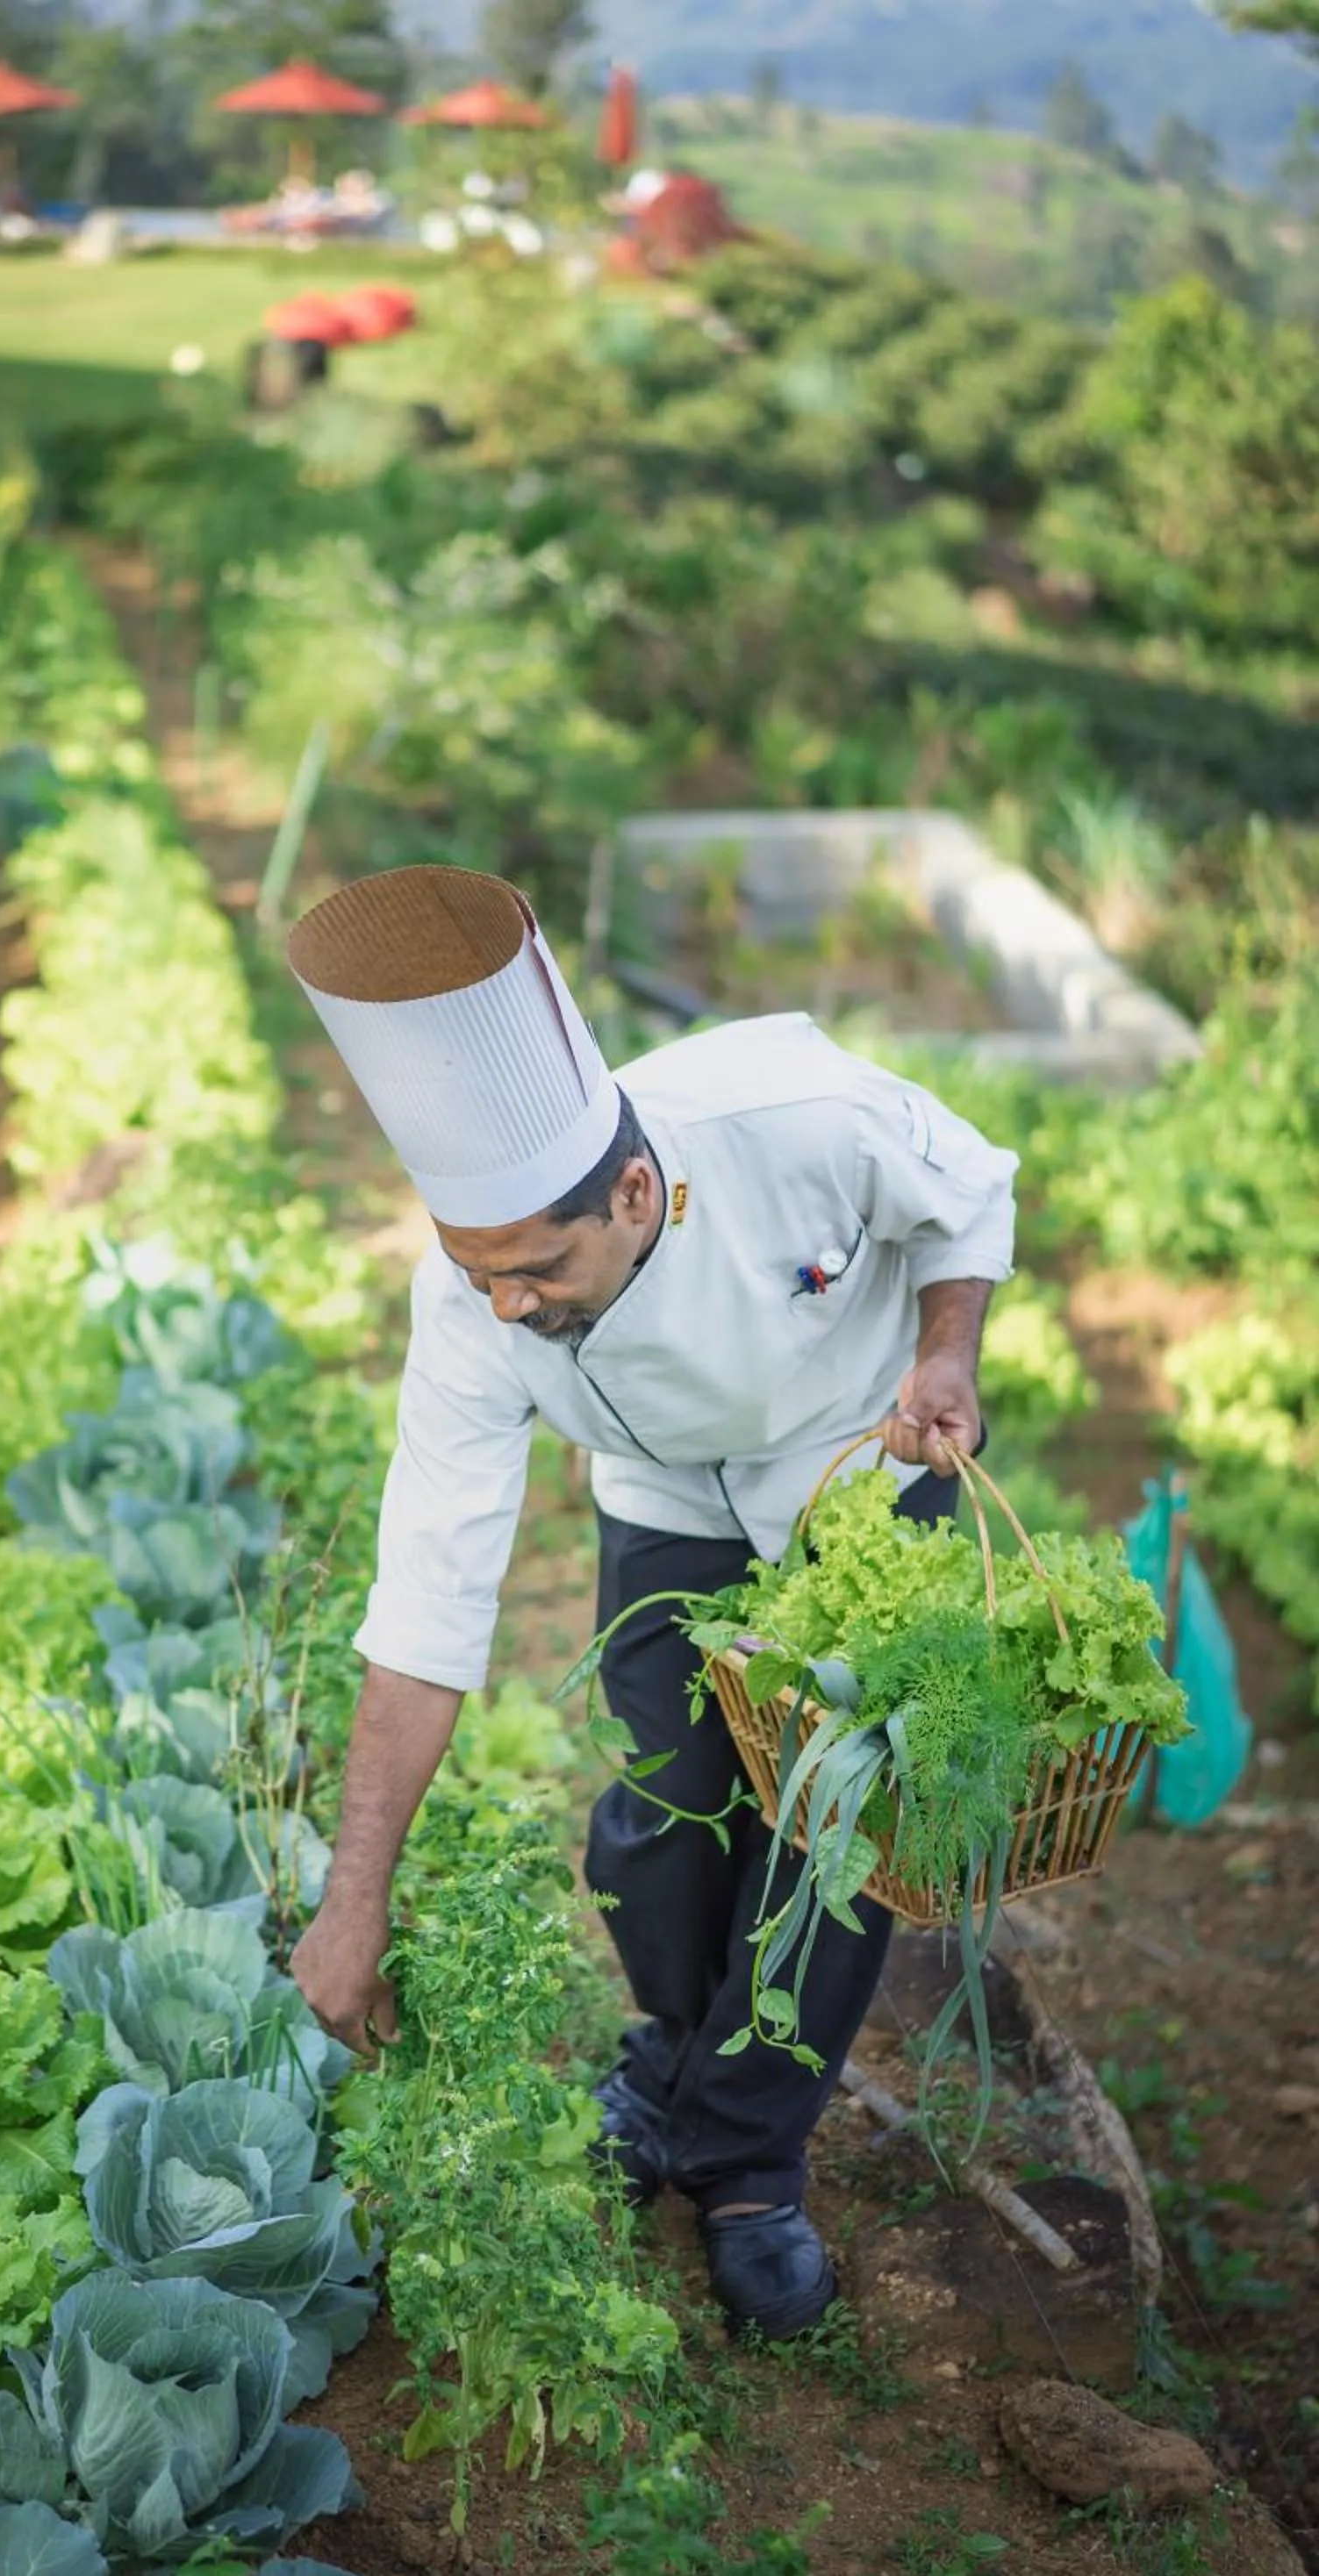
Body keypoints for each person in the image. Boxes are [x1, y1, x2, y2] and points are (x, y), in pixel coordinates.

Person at [283, 863, 1017, 2339]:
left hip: (861, 1470)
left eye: (536, 1271)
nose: (507, 1306)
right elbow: (426, 1611)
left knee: (833, 1836)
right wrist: (348, 1900)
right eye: (472, 1269)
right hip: (669, 1498)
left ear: (632, 1193)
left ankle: (747, 2163)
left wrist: (951, 1355)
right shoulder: (475, 1308)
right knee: (669, 1812)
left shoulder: (792, 1115)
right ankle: (676, 2057)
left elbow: (968, 1193)